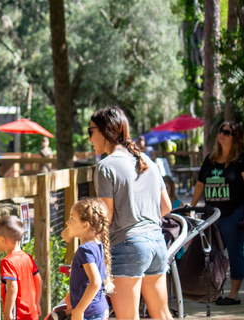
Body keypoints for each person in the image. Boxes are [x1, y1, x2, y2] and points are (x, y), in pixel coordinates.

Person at [86, 106, 173, 320]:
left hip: (127, 247)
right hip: (157, 244)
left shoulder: (106, 166)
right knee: (162, 315)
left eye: (91, 131)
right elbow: (166, 207)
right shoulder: (148, 162)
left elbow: (105, 217)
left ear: (106, 131)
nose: (89, 139)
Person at [190, 121, 244, 306]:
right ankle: (216, 292)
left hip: (234, 213)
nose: (221, 134)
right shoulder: (210, 159)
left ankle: (234, 294)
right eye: (220, 130)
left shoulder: (241, 159)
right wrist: (191, 208)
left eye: (227, 132)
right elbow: (200, 184)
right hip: (212, 215)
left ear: (235, 137)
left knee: (234, 253)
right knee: (212, 255)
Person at [65, 198, 113, 320]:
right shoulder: (96, 245)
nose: (67, 222)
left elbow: (95, 282)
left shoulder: (84, 250)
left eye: (72, 218)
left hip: (89, 313)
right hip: (98, 309)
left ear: (85, 225)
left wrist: (78, 311)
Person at [0, 215, 43, 320]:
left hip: (19, 315)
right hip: (32, 314)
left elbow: (12, 287)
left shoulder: (7, 261)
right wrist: (37, 303)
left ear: (3, 240)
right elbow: (38, 280)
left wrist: (7, 314)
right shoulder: (27, 257)